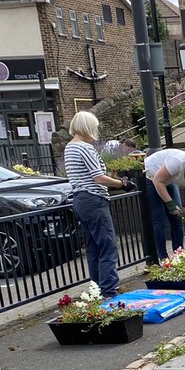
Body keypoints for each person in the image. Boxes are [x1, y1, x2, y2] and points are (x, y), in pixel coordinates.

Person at [64, 111, 129, 297]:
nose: (96, 130)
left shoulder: (69, 147)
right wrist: (121, 184)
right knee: (108, 246)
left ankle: (97, 289)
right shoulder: (85, 148)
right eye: (94, 126)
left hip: (80, 200)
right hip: (94, 199)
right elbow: (98, 178)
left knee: (93, 247)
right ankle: (109, 291)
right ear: (88, 127)